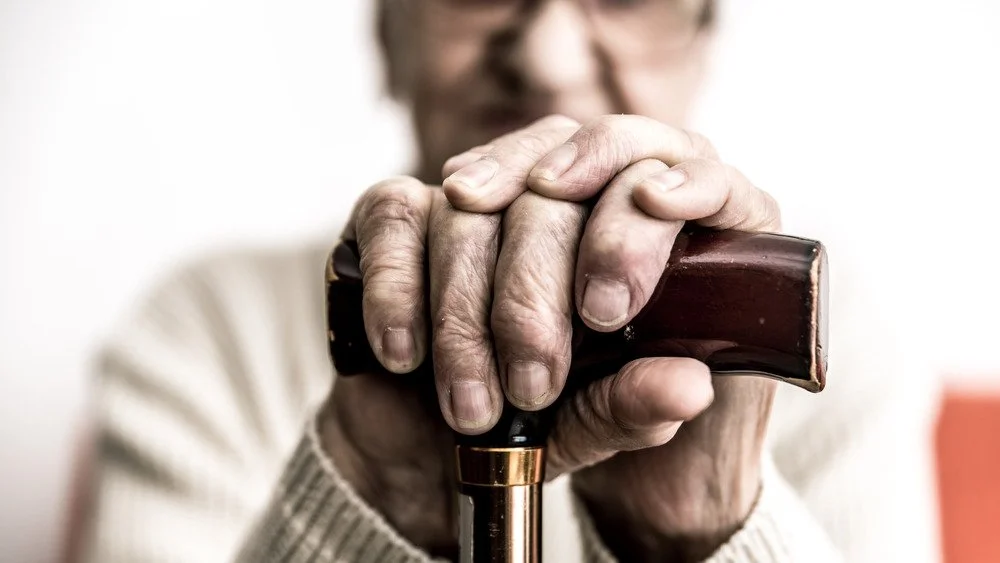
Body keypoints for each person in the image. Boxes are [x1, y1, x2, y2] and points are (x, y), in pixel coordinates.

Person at [72, 1, 943, 561]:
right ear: (386, 36)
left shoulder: (811, 327)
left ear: (703, 44)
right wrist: (376, 495)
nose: (550, 59)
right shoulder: (207, 330)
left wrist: (703, 528)